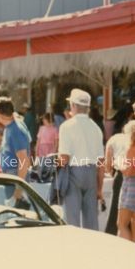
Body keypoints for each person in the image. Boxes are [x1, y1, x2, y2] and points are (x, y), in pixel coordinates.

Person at [58, 88, 104, 230]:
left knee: (72, 220)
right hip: (91, 173)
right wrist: (100, 188)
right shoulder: (96, 128)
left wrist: (55, 165)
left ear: (73, 105)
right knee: (91, 220)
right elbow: (101, 163)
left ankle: (75, 250)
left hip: (73, 171)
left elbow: (64, 158)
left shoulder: (66, 126)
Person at [0, 97, 31, 180]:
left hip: (14, 175)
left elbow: (23, 160)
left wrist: (18, 189)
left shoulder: (15, 130)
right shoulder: (11, 126)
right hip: (10, 174)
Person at [102, 121, 129, 235]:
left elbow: (108, 164)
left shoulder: (113, 139)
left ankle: (112, 233)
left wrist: (109, 171)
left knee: (116, 208)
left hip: (121, 174)